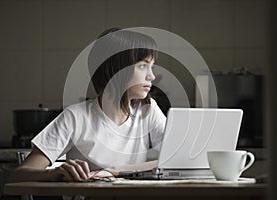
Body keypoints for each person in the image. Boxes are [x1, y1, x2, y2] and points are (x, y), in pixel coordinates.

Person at [9, 27, 166, 183]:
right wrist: (54, 173)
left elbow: (174, 161)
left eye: (152, 66)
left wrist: (113, 171)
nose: (151, 76)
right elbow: (18, 175)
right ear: (117, 69)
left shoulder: (148, 109)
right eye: (142, 66)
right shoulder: (75, 117)